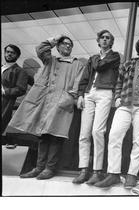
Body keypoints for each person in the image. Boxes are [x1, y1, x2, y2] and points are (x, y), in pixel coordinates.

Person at [8, 35, 85, 180]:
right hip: (46, 101)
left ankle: (50, 168)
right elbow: (40, 49)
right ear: (58, 47)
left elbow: (78, 84)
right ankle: (38, 167)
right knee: (43, 135)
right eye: (64, 44)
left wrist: (68, 98)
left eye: (70, 45)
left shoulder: (77, 64)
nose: (67, 46)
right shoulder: (50, 60)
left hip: (62, 102)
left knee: (56, 136)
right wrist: (56, 38)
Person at [94, 36, 139, 189]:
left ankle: (132, 175)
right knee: (114, 136)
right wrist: (117, 97)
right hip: (125, 103)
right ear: (138, 48)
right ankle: (113, 174)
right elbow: (118, 81)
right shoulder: (129, 63)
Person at [72, 30, 120, 185]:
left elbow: (99, 66)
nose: (105, 40)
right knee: (84, 133)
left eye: (108, 38)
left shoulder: (114, 56)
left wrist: (95, 59)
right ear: (98, 41)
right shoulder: (93, 58)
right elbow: (85, 78)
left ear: (111, 42)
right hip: (89, 94)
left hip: (105, 93)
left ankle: (97, 171)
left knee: (97, 131)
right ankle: (83, 169)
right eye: (102, 38)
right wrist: (80, 94)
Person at [2, 44, 28, 134]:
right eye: (7, 52)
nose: (9, 54)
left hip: (4, 104)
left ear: (17, 56)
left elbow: (21, 89)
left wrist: (4, 91)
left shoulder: (20, 71)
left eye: (12, 53)